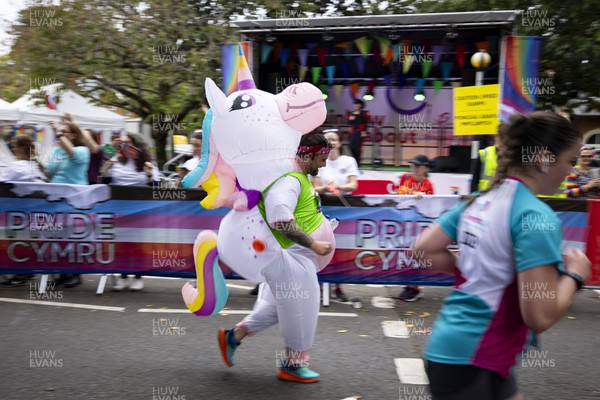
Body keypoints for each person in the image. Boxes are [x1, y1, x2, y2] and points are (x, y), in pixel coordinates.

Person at [412, 112, 591, 400]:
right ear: (544, 158)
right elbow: (539, 315)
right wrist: (575, 275)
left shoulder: (481, 200)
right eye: (570, 161)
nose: (571, 172)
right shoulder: (536, 216)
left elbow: (422, 250)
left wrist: (480, 269)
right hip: (475, 357)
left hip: (466, 352)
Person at [218, 133, 335, 383]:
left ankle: (233, 336)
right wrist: (314, 243)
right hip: (292, 260)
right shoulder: (289, 181)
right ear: (307, 154)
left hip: (296, 259)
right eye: (322, 158)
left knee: (274, 309)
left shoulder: (299, 178)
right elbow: (280, 220)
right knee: (304, 306)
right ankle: (292, 365)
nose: (325, 164)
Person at [100, 133, 160, 291]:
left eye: (129, 143)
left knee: (138, 245)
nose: (125, 146)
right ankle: (122, 275)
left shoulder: (148, 162)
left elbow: (156, 189)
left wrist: (148, 173)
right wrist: (106, 169)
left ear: (137, 145)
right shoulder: (117, 160)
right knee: (120, 243)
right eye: (123, 143)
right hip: (119, 209)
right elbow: (105, 183)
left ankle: (138, 275)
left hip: (140, 210)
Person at [312, 128, 358, 302]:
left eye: (334, 140)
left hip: (343, 208)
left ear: (339, 143)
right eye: (327, 140)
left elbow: (353, 185)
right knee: (322, 245)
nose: (331, 143)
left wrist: (339, 186)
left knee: (342, 247)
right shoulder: (317, 161)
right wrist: (325, 188)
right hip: (322, 207)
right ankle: (321, 284)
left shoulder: (348, 161)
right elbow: (315, 187)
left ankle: (339, 286)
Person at [396, 154, 434, 301]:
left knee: (416, 254)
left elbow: (429, 206)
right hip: (404, 223)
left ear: (425, 168)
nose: (414, 169)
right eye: (412, 166)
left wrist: (422, 196)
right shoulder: (406, 178)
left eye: (417, 166)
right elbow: (399, 194)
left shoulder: (428, 184)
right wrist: (412, 194)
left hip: (418, 225)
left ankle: (415, 287)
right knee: (405, 253)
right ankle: (408, 285)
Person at [470, 123, 506, 193]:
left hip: (502, 198)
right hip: (484, 198)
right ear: (496, 136)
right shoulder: (484, 154)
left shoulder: (511, 156)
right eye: (502, 137)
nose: (503, 141)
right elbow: (474, 184)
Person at [346, 98, 369, 165]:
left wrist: (364, 131)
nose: (356, 105)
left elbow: (366, 123)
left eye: (358, 104)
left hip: (360, 132)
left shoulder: (364, 113)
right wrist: (350, 119)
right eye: (355, 104)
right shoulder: (352, 113)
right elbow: (349, 123)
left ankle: (357, 162)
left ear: (361, 105)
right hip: (353, 132)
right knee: (350, 146)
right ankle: (355, 160)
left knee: (357, 148)